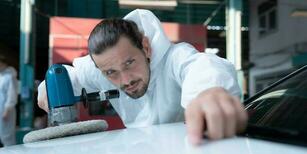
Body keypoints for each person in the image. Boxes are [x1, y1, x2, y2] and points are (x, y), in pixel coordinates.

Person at [38, 9, 248, 145]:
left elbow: (202, 65)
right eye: (111, 73)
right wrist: (48, 88)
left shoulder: (174, 58)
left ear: (146, 47)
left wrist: (208, 90)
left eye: (129, 63)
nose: (126, 80)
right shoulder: (101, 68)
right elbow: (68, 75)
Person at [0, 55, 18, 146]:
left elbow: (12, 94)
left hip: (5, 110)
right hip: (1, 109)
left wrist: (7, 110)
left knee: (6, 136)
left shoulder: (9, 76)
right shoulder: (2, 75)